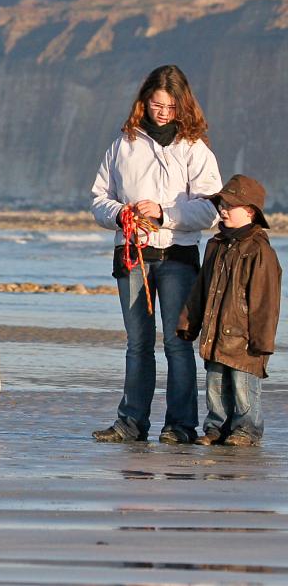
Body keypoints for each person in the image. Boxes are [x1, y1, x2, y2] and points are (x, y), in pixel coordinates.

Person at [91, 64, 221, 444]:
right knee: (137, 344)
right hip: (131, 255)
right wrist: (122, 214)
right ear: (144, 102)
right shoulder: (123, 144)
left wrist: (163, 214)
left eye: (170, 106)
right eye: (156, 104)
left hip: (178, 257)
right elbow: (99, 198)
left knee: (177, 344)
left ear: (183, 106)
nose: (162, 112)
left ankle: (180, 426)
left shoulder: (195, 148)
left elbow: (211, 209)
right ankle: (131, 422)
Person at [177, 175, 282, 447]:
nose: (222, 209)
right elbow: (201, 289)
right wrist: (189, 321)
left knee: (243, 387)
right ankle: (216, 428)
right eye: (221, 204)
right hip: (215, 330)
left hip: (246, 337)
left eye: (230, 205)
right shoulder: (216, 246)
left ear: (250, 211)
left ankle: (247, 430)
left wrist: (262, 341)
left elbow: (265, 301)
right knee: (215, 384)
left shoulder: (260, 251)